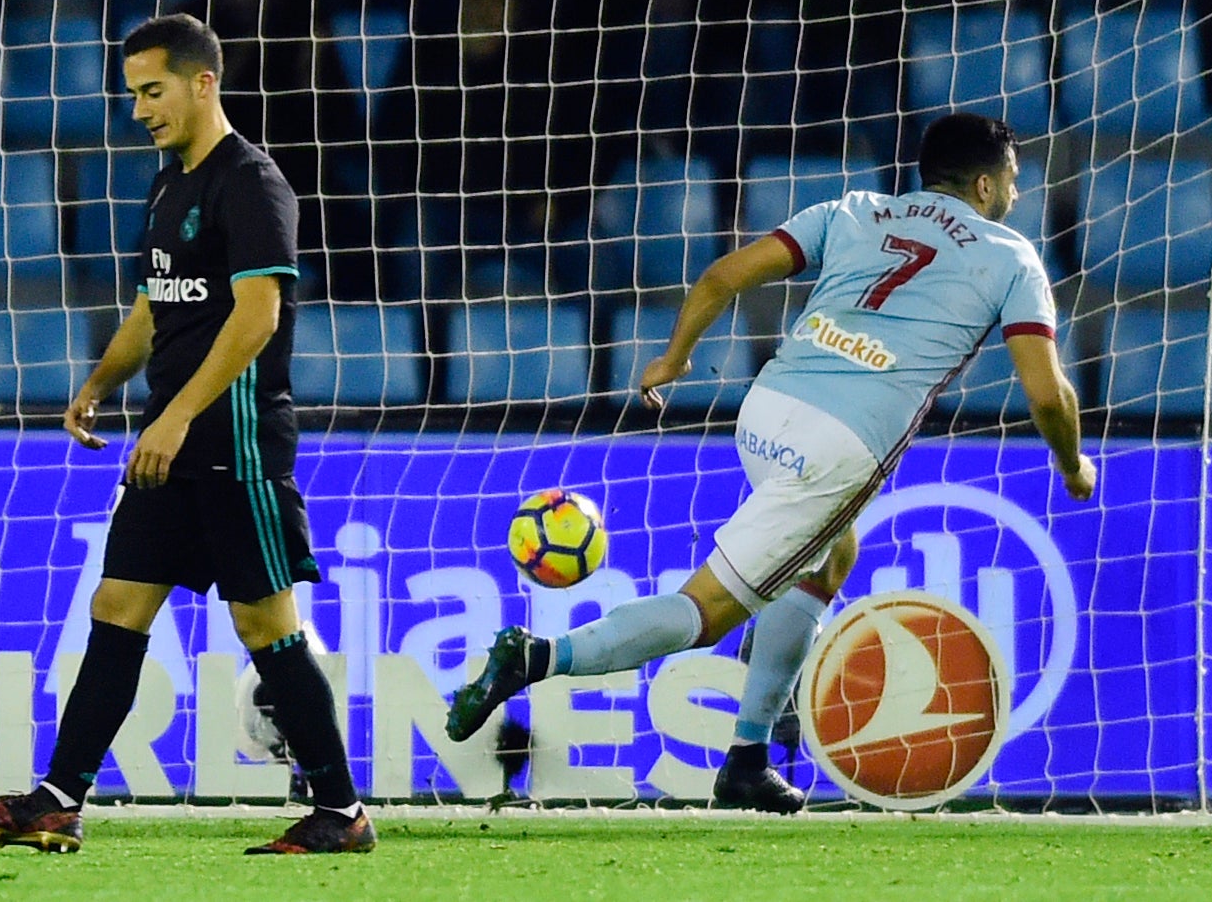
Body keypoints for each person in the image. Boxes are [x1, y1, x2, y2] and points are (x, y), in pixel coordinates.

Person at [444, 113, 1096, 812]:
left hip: (766, 410)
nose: (1017, 198)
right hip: (838, 452)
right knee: (707, 615)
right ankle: (535, 657)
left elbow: (725, 275)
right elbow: (1047, 393)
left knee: (829, 556)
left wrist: (675, 356)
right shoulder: (1009, 255)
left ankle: (748, 759)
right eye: (1015, 183)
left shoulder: (852, 210)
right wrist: (1072, 466)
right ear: (986, 183)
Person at [0, 14, 375, 855]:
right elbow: (156, 305)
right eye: (132, 93)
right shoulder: (167, 183)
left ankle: (341, 811)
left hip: (234, 440)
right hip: (167, 442)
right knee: (118, 605)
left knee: (266, 627)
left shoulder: (250, 182)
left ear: (201, 82)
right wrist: (103, 380)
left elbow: (258, 316)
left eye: (153, 90)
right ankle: (57, 797)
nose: (140, 108)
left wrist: (176, 417)